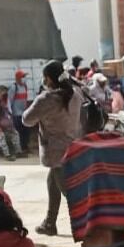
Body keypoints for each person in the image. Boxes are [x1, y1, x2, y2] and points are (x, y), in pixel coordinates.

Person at [22, 60, 84, 236]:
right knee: (53, 183)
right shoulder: (75, 93)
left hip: (55, 151)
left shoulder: (47, 99)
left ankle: (85, 225)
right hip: (72, 146)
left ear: (48, 78)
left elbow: (26, 120)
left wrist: (40, 101)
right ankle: (50, 223)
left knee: (68, 192)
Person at [0, 86, 22, 162]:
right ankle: (7, 154)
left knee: (15, 133)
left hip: (7, 124)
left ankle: (18, 151)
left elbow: (8, 114)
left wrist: (10, 123)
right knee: (1, 136)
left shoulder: (4, 102)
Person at [8, 70, 31, 156]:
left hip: (24, 114)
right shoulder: (14, 87)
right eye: (22, 77)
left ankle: (25, 147)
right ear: (18, 78)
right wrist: (10, 113)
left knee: (26, 131)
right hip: (16, 114)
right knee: (18, 133)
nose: (24, 78)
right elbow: (9, 101)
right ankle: (19, 150)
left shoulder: (25, 86)